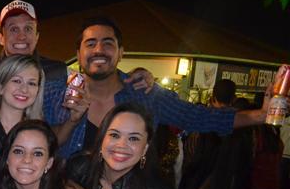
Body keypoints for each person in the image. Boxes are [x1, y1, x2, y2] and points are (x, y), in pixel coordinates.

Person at [47, 16, 269, 159]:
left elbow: (197, 116)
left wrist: (259, 115)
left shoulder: (145, 94)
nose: (99, 50)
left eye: (108, 43)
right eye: (90, 43)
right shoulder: (54, 95)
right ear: (78, 54)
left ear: (121, 52)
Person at [0, 0, 67, 83]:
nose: (22, 36)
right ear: (1, 38)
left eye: (28, 29)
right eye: (14, 29)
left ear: (37, 37)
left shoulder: (58, 73)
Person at [0, 55, 45, 132]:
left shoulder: (40, 133)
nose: (24, 90)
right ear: (0, 87)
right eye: (17, 81)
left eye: (31, 83)